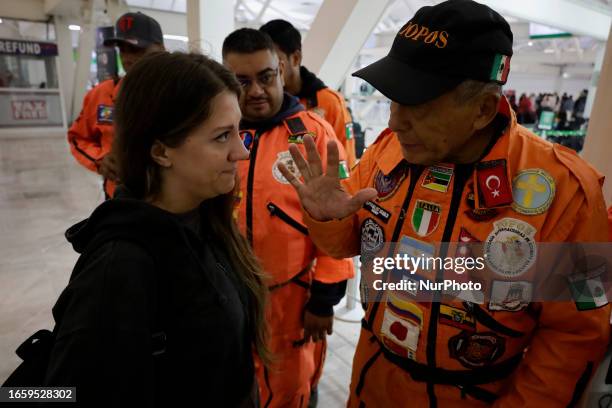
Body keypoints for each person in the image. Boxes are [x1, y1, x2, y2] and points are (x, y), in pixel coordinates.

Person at [279, 1, 611, 406]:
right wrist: (325, 218)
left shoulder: (565, 193)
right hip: (372, 382)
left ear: (483, 109)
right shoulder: (389, 153)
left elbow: (575, 336)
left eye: (417, 104)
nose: (394, 122)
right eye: (393, 100)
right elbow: (347, 244)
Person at [44, 52, 268, 407]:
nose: (241, 152)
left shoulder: (207, 221)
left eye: (239, 132)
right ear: (162, 151)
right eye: (222, 136)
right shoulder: (120, 268)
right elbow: (63, 392)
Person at [222, 29, 354, 408]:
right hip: (227, 294)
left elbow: (338, 220)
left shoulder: (314, 134)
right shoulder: (216, 133)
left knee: (292, 385)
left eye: (265, 77)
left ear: (281, 70)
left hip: (293, 299)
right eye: (241, 82)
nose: (256, 91)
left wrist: (324, 299)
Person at [67, 12, 165, 199]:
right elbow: (78, 138)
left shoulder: (183, 92)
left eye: (137, 49)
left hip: (172, 202)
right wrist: (101, 159)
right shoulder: (101, 95)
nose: (127, 58)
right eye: (123, 49)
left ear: (160, 48)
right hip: (119, 198)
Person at [260, 19, 357, 168]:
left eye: (277, 61)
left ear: (296, 58)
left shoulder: (329, 102)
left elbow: (347, 161)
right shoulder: (262, 102)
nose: (271, 69)